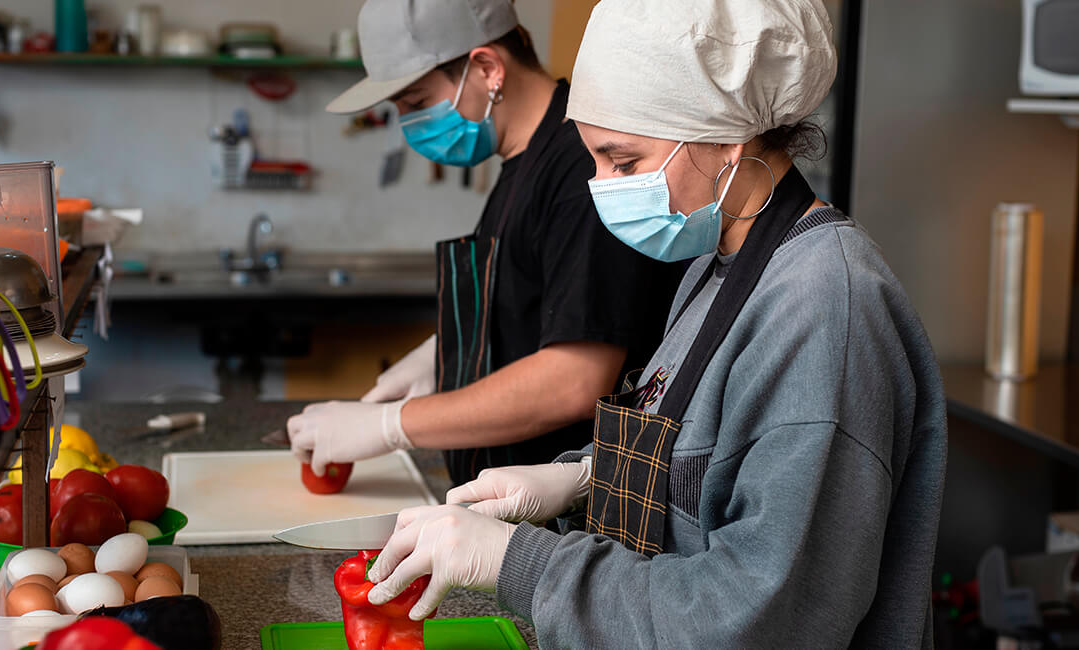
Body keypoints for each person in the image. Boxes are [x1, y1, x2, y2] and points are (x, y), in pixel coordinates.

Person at [359, 0, 949, 647]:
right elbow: (700, 462)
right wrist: (583, 478)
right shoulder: (716, 263)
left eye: (625, 162)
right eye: (594, 161)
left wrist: (516, 563)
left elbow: (753, 619)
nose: (602, 187)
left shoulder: (825, 306)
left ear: (727, 137)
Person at [287, 0, 681, 487]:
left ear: (488, 67)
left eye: (415, 103)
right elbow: (531, 297)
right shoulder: (525, 158)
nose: (411, 125)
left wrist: (395, 425)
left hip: (567, 513)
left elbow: (574, 382)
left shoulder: (582, 167)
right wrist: (443, 355)